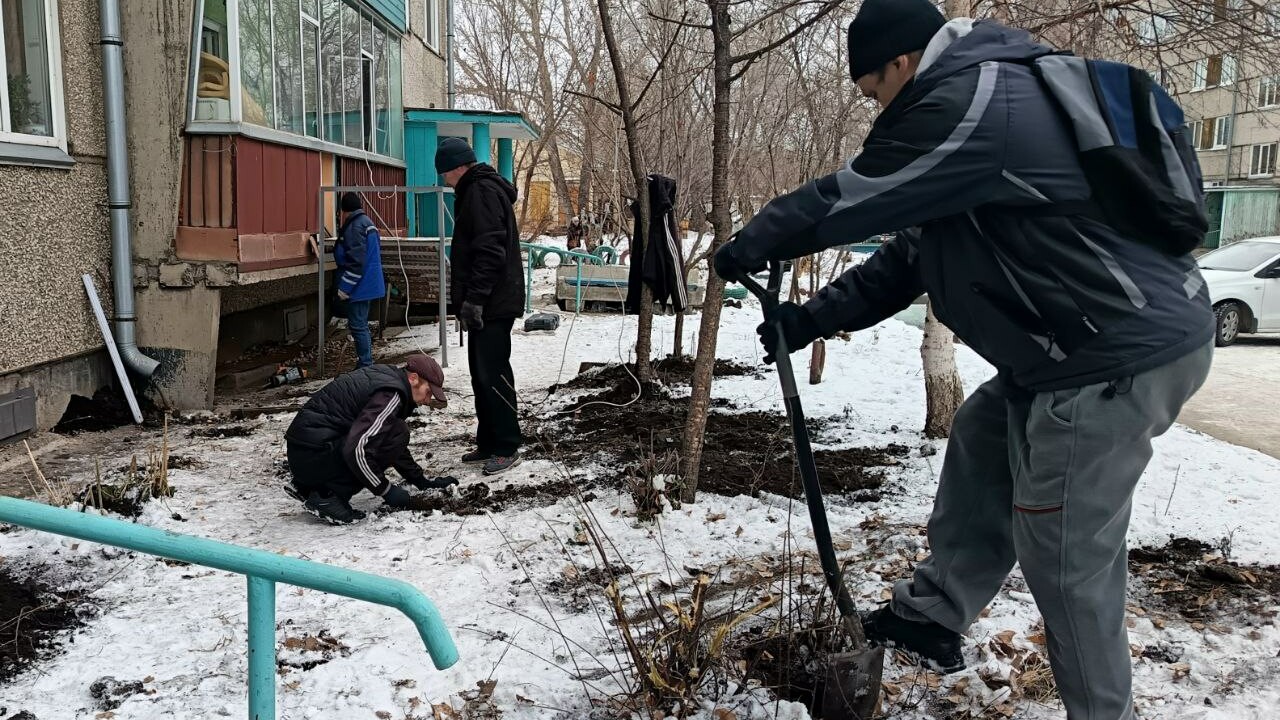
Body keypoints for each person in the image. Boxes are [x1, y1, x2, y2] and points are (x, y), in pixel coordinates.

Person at [713, 3, 1213, 719]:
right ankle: (933, 613)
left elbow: (859, 194)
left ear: (901, 62)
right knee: (983, 438)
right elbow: (915, 253)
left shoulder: (979, 103)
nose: (875, 106)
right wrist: (813, 319)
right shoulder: (977, 107)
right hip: (1071, 351)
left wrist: (760, 237)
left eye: (872, 90)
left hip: (1113, 356)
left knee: (1067, 559)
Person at [435, 137, 525, 476]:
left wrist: (475, 299)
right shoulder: (477, 190)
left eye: (445, 172)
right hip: (489, 302)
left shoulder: (482, 192)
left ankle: (506, 445)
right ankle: (489, 441)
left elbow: (489, 251)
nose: (444, 179)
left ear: (459, 167)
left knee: (494, 373)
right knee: (481, 374)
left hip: (493, 303)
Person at [283, 354, 457, 524]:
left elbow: (387, 438)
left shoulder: (389, 378)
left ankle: (311, 487)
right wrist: (386, 491)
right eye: (428, 392)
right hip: (312, 456)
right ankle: (328, 496)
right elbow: (357, 448)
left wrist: (420, 481)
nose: (428, 400)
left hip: (306, 453)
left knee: (394, 432)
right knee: (396, 433)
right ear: (413, 378)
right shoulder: (391, 394)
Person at [335, 192, 385, 369]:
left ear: (344, 211)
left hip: (360, 286)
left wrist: (345, 287)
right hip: (369, 283)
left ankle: (365, 364)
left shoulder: (355, 227)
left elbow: (357, 262)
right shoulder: (367, 223)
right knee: (360, 324)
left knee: (358, 325)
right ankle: (365, 362)